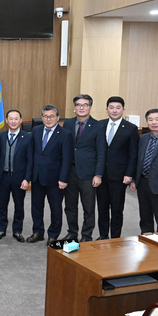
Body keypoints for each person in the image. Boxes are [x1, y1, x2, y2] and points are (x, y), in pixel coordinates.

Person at [62, 94, 106, 242]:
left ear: (90, 107)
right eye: (79, 105)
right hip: (70, 172)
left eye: (85, 105)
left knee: (88, 208)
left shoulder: (98, 125)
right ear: (74, 107)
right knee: (70, 206)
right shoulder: (67, 124)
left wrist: (98, 174)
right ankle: (72, 233)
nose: (81, 107)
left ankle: (86, 236)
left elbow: (101, 152)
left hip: (88, 174)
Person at [28, 104, 73, 244]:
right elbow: (32, 155)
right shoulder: (36, 130)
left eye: (52, 116)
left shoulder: (65, 134)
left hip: (55, 179)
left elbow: (67, 159)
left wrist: (63, 178)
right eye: (46, 116)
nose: (48, 119)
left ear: (58, 118)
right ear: (42, 117)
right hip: (37, 177)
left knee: (55, 209)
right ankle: (38, 232)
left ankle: (53, 234)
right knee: (36, 207)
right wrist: (29, 176)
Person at [97, 97, 139, 240]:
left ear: (123, 109)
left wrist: (129, 174)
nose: (114, 110)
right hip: (101, 175)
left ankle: (115, 238)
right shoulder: (99, 125)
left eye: (118, 107)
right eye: (111, 107)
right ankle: (103, 236)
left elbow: (133, 154)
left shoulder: (131, 128)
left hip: (120, 176)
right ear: (107, 109)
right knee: (102, 209)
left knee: (116, 209)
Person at [0, 109, 32, 242]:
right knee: (2, 205)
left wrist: (27, 179)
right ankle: (1, 229)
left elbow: (30, 160)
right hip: (3, 177)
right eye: (11, 118)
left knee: (19, 206)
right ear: (6, 120)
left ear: (21, 120)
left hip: (19, 178)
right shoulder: (0, 136)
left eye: (16, 118)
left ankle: (17, 231)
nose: (13, 121)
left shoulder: (27, 137)